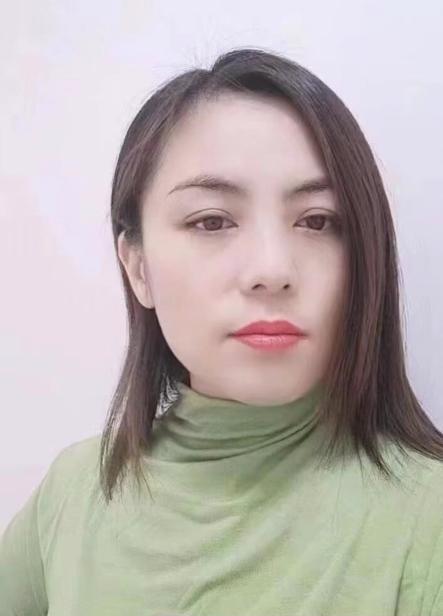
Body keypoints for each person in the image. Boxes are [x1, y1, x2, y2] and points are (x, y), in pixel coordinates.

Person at [1, 48, 442, 616]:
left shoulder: (426, 520)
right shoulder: (72, 495)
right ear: (138, 267)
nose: (272, 270)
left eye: (316, 221)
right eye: (211, 221)